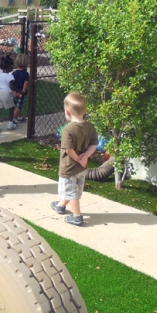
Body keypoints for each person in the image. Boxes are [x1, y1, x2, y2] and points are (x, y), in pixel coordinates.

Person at [50, 92, 98, 226]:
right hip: (82, 167)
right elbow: (94, 144)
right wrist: (85, 157)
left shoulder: (68, 130)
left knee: (71, 191)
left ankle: (77, 216)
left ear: (67, 111)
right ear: (85, 110)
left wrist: (78, 159)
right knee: (73, 189)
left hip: (69, 167)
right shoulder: (90, 126)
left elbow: (68, 149)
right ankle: (60, 205)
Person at [0, 56, 17, 132]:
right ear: (10, 67)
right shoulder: (10, 76)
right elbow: (12, 87)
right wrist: (20, 91)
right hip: (6, 93)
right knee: (11, 108)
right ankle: (10, 124)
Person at [12, 53, 30, 121]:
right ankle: (13, 119)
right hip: (21, 93)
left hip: (15, 91)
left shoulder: (14, 72)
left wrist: (13, 91)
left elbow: (12, 83)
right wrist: (23, 92)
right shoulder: (26, 74)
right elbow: (26, 83)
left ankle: (19, 117)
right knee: (19, 106)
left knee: (16, 105)